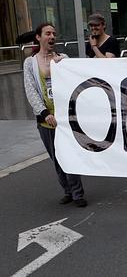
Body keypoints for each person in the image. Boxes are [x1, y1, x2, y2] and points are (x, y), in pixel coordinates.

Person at [23, 23, 87, 207]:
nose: (52, 36)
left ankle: (77, 193)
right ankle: (67, 190)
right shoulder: (30, 63)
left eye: (54, 33)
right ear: (38, 37)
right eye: (47, 33)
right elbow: (30, 90)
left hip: (64, 119)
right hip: (45, 120)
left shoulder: (63, 58)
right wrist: (43, 113)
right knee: (56, 157)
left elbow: (73, 83)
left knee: (69, 154)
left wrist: (64, 66)